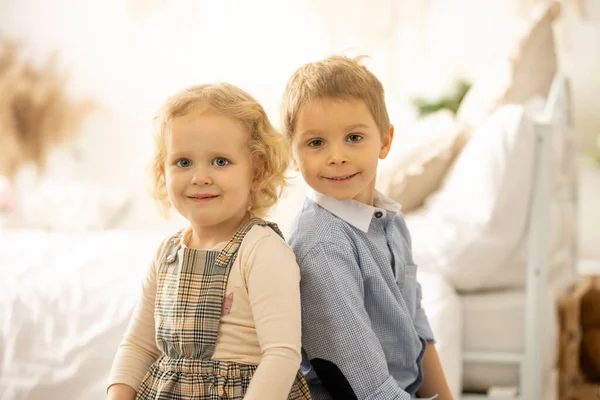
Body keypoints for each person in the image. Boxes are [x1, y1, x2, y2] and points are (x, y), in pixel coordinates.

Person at [106, 82, 311, 400]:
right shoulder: (167, 254)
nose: (199, 177)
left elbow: (281, 356)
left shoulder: (262, 250)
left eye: (220, 161)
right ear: (164, 172)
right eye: (183, 163)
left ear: (257, 172)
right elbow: (138, 345)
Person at [281, 55, 453, 400]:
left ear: (385, 142)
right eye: (316, 143)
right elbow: (364, 386)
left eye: (354, 137)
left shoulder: (388, 218)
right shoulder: (322, 245)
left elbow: (417, 326)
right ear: (292, 154)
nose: (336, 156)